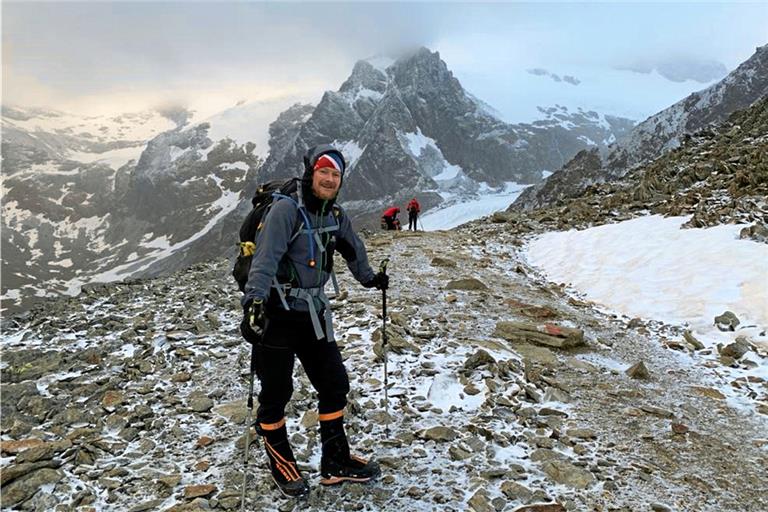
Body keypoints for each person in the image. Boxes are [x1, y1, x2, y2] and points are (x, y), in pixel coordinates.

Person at [240, 145, 389, 498]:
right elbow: (265, 258)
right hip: (276, 313)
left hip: (313, 314)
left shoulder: (335, 214)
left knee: (334, 384)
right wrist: (254, 303)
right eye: (324, 172)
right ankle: (282, 463)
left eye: (335, 175)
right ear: (311, 173)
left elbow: (352, 248)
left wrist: (369, 279)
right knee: (277, 392)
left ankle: (335, 462)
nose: (329, 179)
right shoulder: (286, 210)